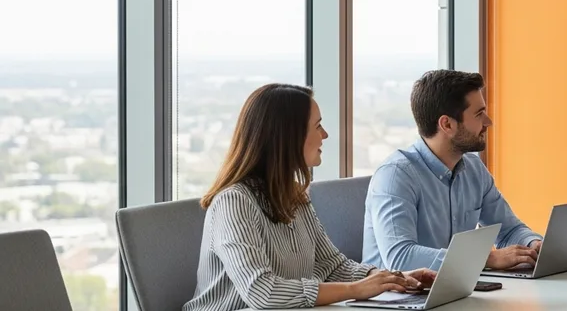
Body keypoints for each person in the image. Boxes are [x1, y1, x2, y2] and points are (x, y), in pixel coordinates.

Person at [184, 84, 436, 311]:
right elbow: (262, 291)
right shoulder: (234, 202)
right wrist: (356, 290)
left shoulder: (295, 196)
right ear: (287, 137)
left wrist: (395, 278)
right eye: (317, 126)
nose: (325, 135)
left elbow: (333, 266)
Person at [363, 69, 543, 272]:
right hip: (394, 298)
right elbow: (400, 258)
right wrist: (484, 258)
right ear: (447, 124)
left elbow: (510, 231)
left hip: (453, 290)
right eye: (478, 114)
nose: (488, 121)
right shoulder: (396, 175)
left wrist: (534, 245)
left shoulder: (474, 168)